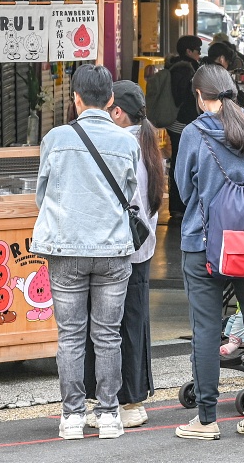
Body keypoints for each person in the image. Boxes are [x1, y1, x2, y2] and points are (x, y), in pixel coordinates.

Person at [31, 65, 140, 441]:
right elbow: (132, 197)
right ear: (111, 100)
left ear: (76, 98)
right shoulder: (128, 142)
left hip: (65, 249)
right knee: (108, 335)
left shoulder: (55, 139)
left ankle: (72, 417)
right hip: (112, 250)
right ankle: (109, 415)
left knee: (71, 337)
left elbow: (42, 196)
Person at [173, 64, 244, 440]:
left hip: (203, 245)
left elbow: (185, 192)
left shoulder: (193, 133)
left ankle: (205, 419)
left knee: (207, 329)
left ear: (199, 95)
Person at [84, 81, 163, 429]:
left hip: (121, 249)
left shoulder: (122, 144)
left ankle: (128, 401)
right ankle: (132, 398)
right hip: (141, 248)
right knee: (134, 322)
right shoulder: (146, 142)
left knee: (113, 325)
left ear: (117, 111)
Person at [167, 35, 202, 218]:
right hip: (182, 123)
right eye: (198, 50)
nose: (199, 54)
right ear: (189, 51)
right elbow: (182, 97)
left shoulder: (174, 66)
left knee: (179, 163)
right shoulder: (186, 69)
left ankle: (178, 205)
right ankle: (179, 206)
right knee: (182, 164)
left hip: (176, 123)